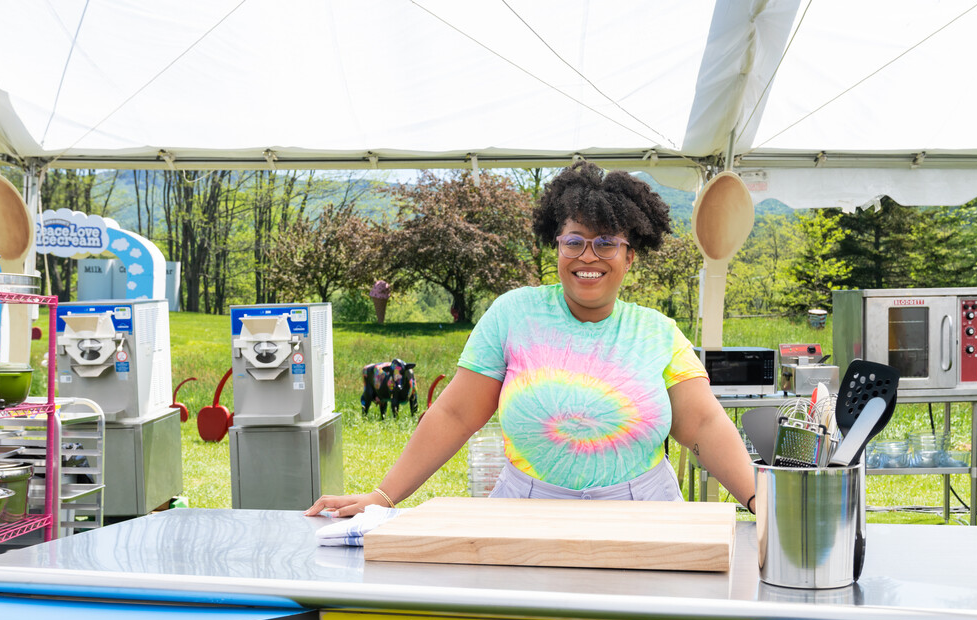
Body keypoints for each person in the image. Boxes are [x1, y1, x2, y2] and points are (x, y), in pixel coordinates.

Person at [306, 162, 756, 517]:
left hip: (645, 512)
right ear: (555, 245)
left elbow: (703, 425)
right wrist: (383, 496)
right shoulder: (513, 314)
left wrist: (760, 503)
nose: (588, 257)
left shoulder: (658, 331)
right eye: (574, 241)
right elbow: (456, 413)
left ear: (629, 255)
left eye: (606, 243)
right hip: (525, 511)